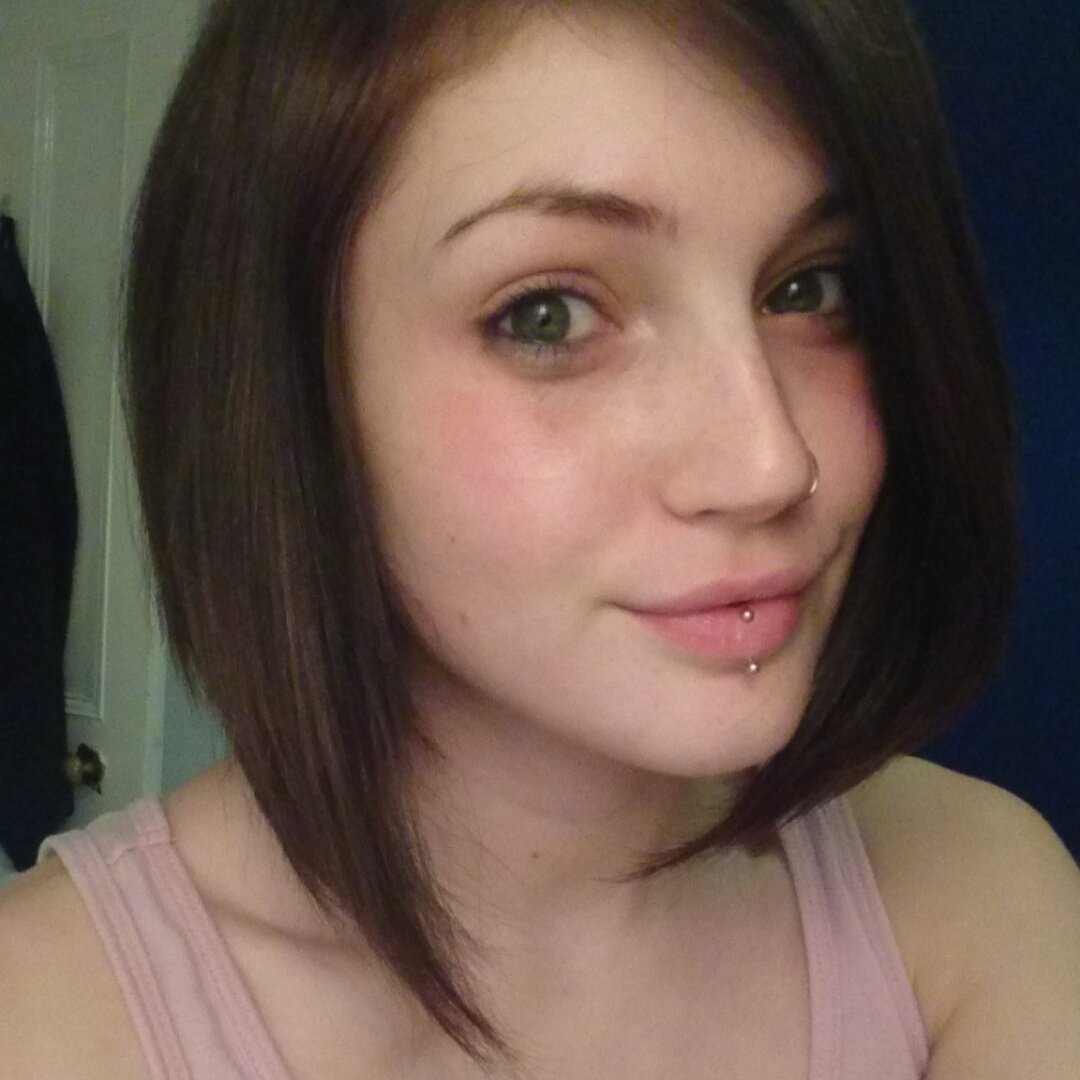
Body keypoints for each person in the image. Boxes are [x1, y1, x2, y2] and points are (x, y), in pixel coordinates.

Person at [1, 0, 1078, 1076]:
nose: (769, 463)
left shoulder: (976, 892)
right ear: (283, 390)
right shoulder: (41, 1019)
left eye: (810, 288)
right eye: (549, 314)